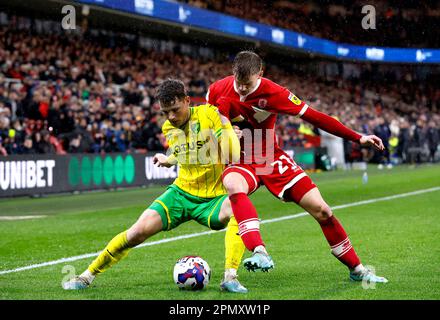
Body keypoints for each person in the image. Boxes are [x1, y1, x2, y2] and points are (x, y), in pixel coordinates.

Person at [206, 51, 388, 283]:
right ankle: (259, 251)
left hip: (269, 156)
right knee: (233, 185)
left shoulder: (275, 93)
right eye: (238, 83)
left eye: (247, 84)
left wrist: (357, 137)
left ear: (260, 74)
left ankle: (358, 270)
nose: (241, 89)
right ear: (233, 73)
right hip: (241, 158)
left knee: (322, 209)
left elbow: (315, 117)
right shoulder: (216, 90)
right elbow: (207, 126)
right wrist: (225, 133)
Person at [63, 79, 249, 293]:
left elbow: (232, 154)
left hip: (214, 198)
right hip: (180, 194)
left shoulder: (210, 114)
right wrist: (168, 159)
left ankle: (230, 277)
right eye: (165, 111)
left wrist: (227, 131)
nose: (170, 116)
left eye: (175, 110)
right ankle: (86, 276)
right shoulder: (168, 127)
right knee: (136, 232)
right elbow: (187, 152)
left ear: (188, 101)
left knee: (239, 209)